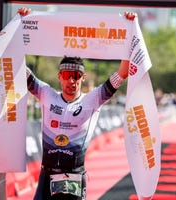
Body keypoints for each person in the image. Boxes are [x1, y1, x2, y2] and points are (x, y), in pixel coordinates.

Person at [19, 8, 134, 200]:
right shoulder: (46, 94)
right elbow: (18, 67)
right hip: (46, 175)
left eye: (76, 76)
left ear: (83, 78)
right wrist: (21, 26)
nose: (71, 81)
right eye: (66, 76)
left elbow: (123, 72)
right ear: (59, 77)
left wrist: (130, 32)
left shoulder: (93, 99)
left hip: (73, 176)